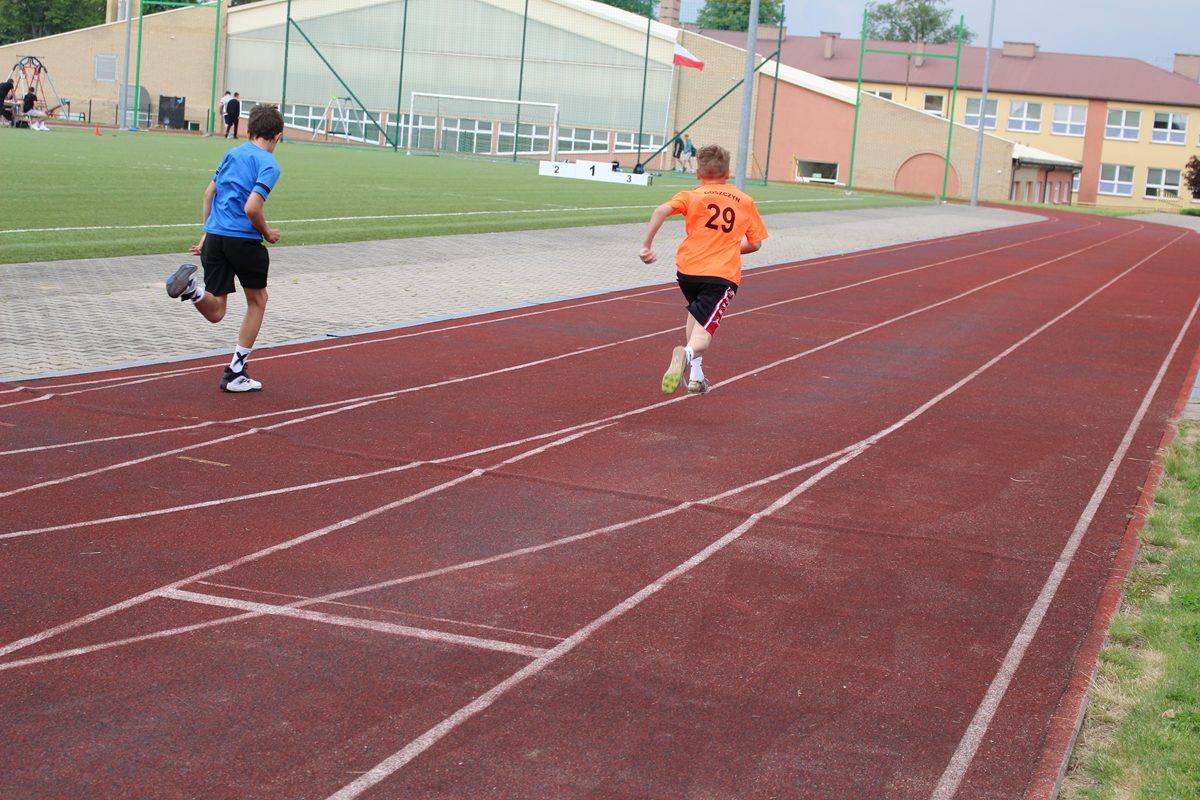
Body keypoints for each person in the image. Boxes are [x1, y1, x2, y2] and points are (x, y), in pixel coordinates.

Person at [166, 104, 285, 393]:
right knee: (258, 301)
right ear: (277, 136)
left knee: (216, 310)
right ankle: (236, 372)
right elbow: (252, 207)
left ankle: (192, 290)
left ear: (249, 130)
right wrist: (267, 232)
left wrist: (206, 235)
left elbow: (209, 194)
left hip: (216, 238)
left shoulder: (232, 154)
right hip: (243, 241)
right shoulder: (269, 164)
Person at [639, 144, 768, 395]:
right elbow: (755, 243)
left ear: (698, 174)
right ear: (728, 173)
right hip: (720, 275)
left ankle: (696, 377)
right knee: (704, 335)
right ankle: (686, 354)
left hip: (687, 272)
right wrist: (730, 248)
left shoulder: (691, 195)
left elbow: (661, 210)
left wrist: (646, 246)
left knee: (698, 315)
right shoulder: (745, 201)